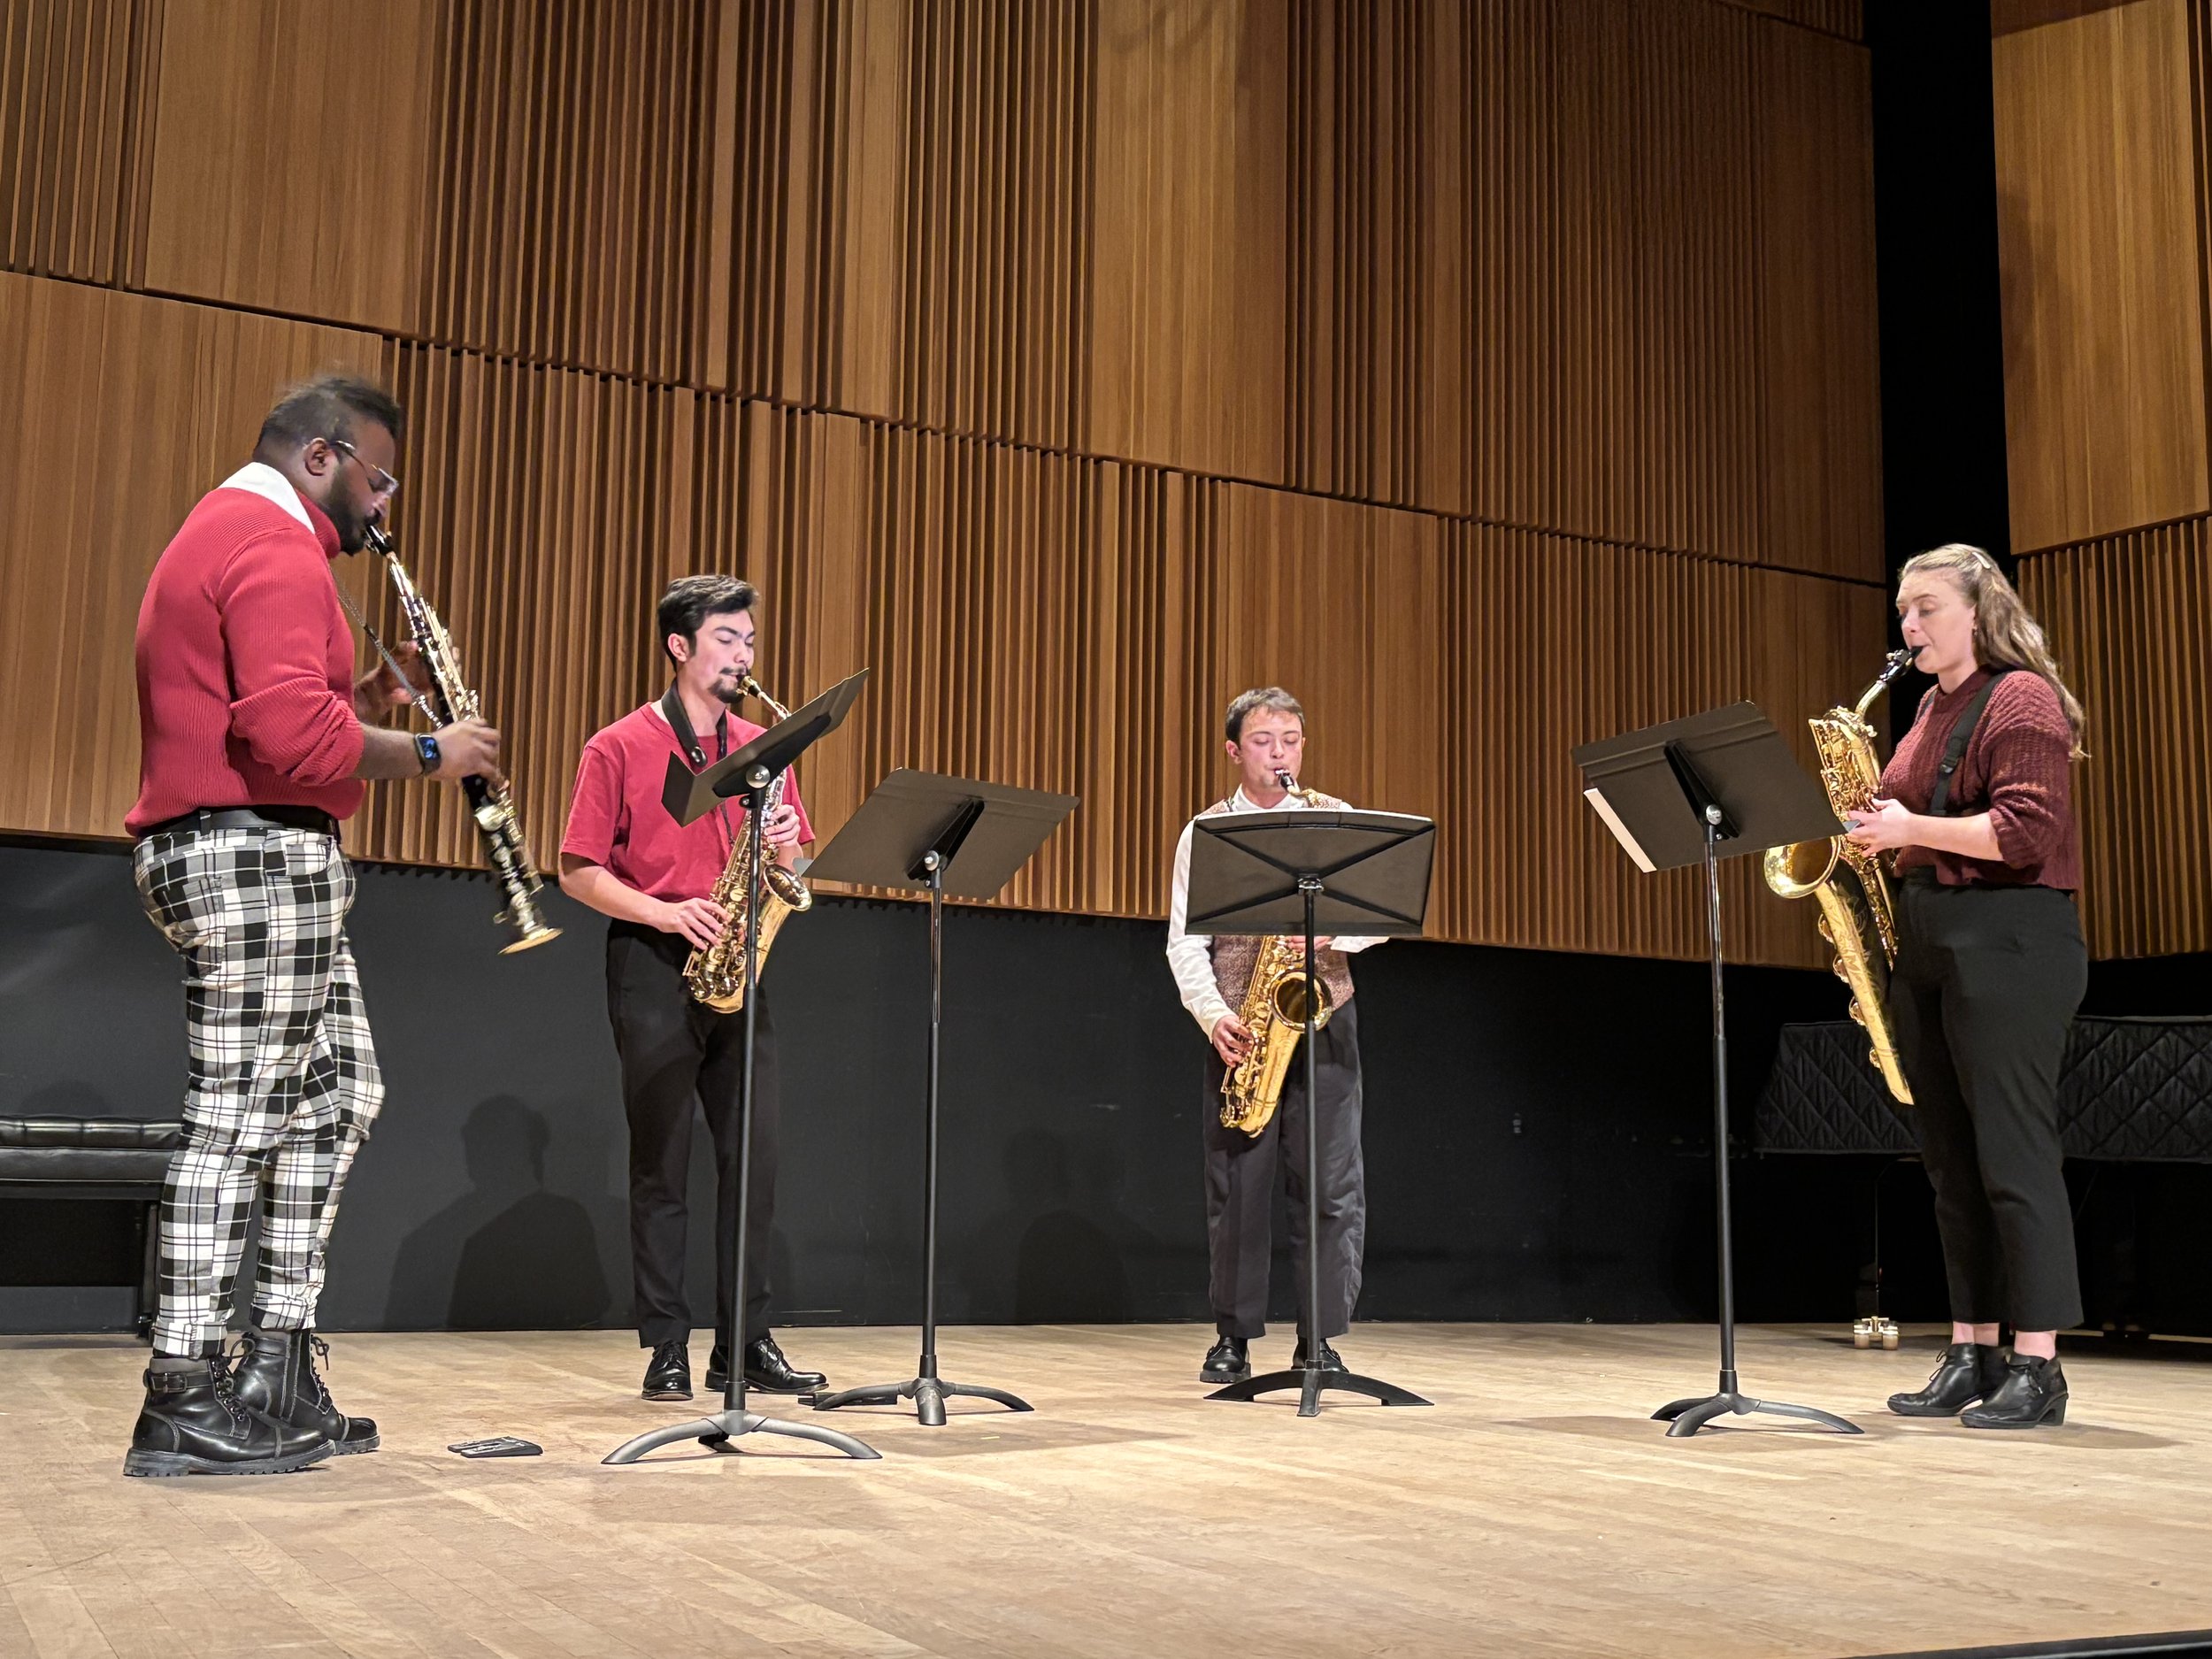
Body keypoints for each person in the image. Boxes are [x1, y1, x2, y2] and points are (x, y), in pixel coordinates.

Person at [125, 375, 503, 1477]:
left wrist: (369, 708)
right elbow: (292, 738)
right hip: (249, 851)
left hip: (250, 850)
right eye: (378, 480)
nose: (381, 509)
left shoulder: (229, 529)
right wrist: (437, 753)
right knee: (236, 1113)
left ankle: (276, 1361)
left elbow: (280, 712)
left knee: (339, 1099)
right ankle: (183, 1387)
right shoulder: (276, 541)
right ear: (323, 457)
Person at [559, 575, 828, 1403]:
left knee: (756, 1162)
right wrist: (669, 915)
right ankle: (668, 1344)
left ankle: (743, 1342)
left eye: (748, 640)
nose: (743, 655)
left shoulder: (763, 746)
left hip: (739, 961)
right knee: (663, 1165)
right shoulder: (619, 744)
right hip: (652, 956)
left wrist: (785, 843)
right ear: (680, 646)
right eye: (726, 639)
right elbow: (576, 870)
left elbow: (801, 865)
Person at [1847, 542, 2089, 1431]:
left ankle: (2039, 1365)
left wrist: (1912, 824)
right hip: (1931, 933)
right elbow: (1909, 818)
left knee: (2011, 1156)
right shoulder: (1924, 708)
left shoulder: (2018, 696)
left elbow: (2026, 832)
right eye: (1903, 611)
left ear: (1977, 612)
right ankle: (1972, 1348)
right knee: (1948, 1159)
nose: (1908, 626)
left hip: (2011, 934)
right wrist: (1870, 830)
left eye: (1925, 609)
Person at [1164, 687, 1386, 1385]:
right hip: (1242, 1025)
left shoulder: (1334, 817)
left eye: (1291, 738)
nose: (1281, 752)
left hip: (1325, 1016)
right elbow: (1183, 940)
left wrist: (1325, 931)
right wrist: (1211, 1013)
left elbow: (1376, 918)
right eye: (1264, 740)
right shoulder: (1206, 831)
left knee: (1330, 1185)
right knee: (1237, 1188)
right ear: (1234, 750)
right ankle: (1232, 1336)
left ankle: (1318, 1338)